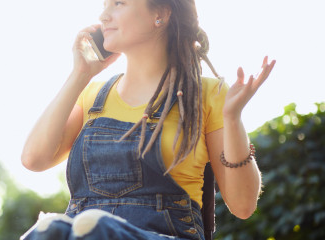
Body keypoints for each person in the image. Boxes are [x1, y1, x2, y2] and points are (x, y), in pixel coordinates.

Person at [20, 0, 276, 239]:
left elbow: (243, 206)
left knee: (98, 227)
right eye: (105, 4)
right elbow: (34, 159)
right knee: (49, 230)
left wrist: (232, 119)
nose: (103, 15)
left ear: (161, 15)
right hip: (90, 230)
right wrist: (80, 74)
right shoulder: (92, 95)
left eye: (119, 3)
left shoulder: (208, 94)